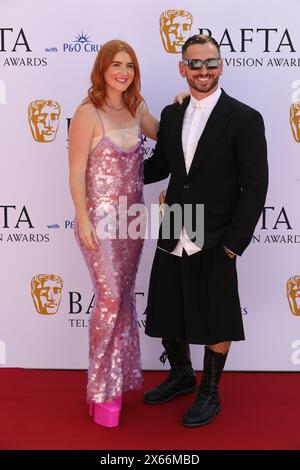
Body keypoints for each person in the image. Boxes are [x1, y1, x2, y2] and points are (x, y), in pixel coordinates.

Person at [143, 34, 268, 427]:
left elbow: (256, 184)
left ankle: (209, 392)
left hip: (215, 232)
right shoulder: (172, 113)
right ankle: (181, 375)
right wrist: (110, 168)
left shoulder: (245, 118)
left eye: (209, 62)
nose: (202, 70)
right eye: (194, 64)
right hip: (178, 220)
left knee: (217, 313)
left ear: (221, 65)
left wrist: (234, 243)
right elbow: (160, 165)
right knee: (168, 303)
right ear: (183, 68)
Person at [68, 39, 158, 427]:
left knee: (123, 300)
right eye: (116, 65)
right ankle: (101, 390)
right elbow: (75, 172)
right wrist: (83, 218)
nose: (123, 72)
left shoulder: (136, 107)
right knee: (108, 298)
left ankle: (115, 383)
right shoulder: (87, 112)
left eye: (130, 66)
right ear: (102, 68)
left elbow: (163, 132)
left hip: (133, 221)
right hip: (99, 221)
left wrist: (184, 104)